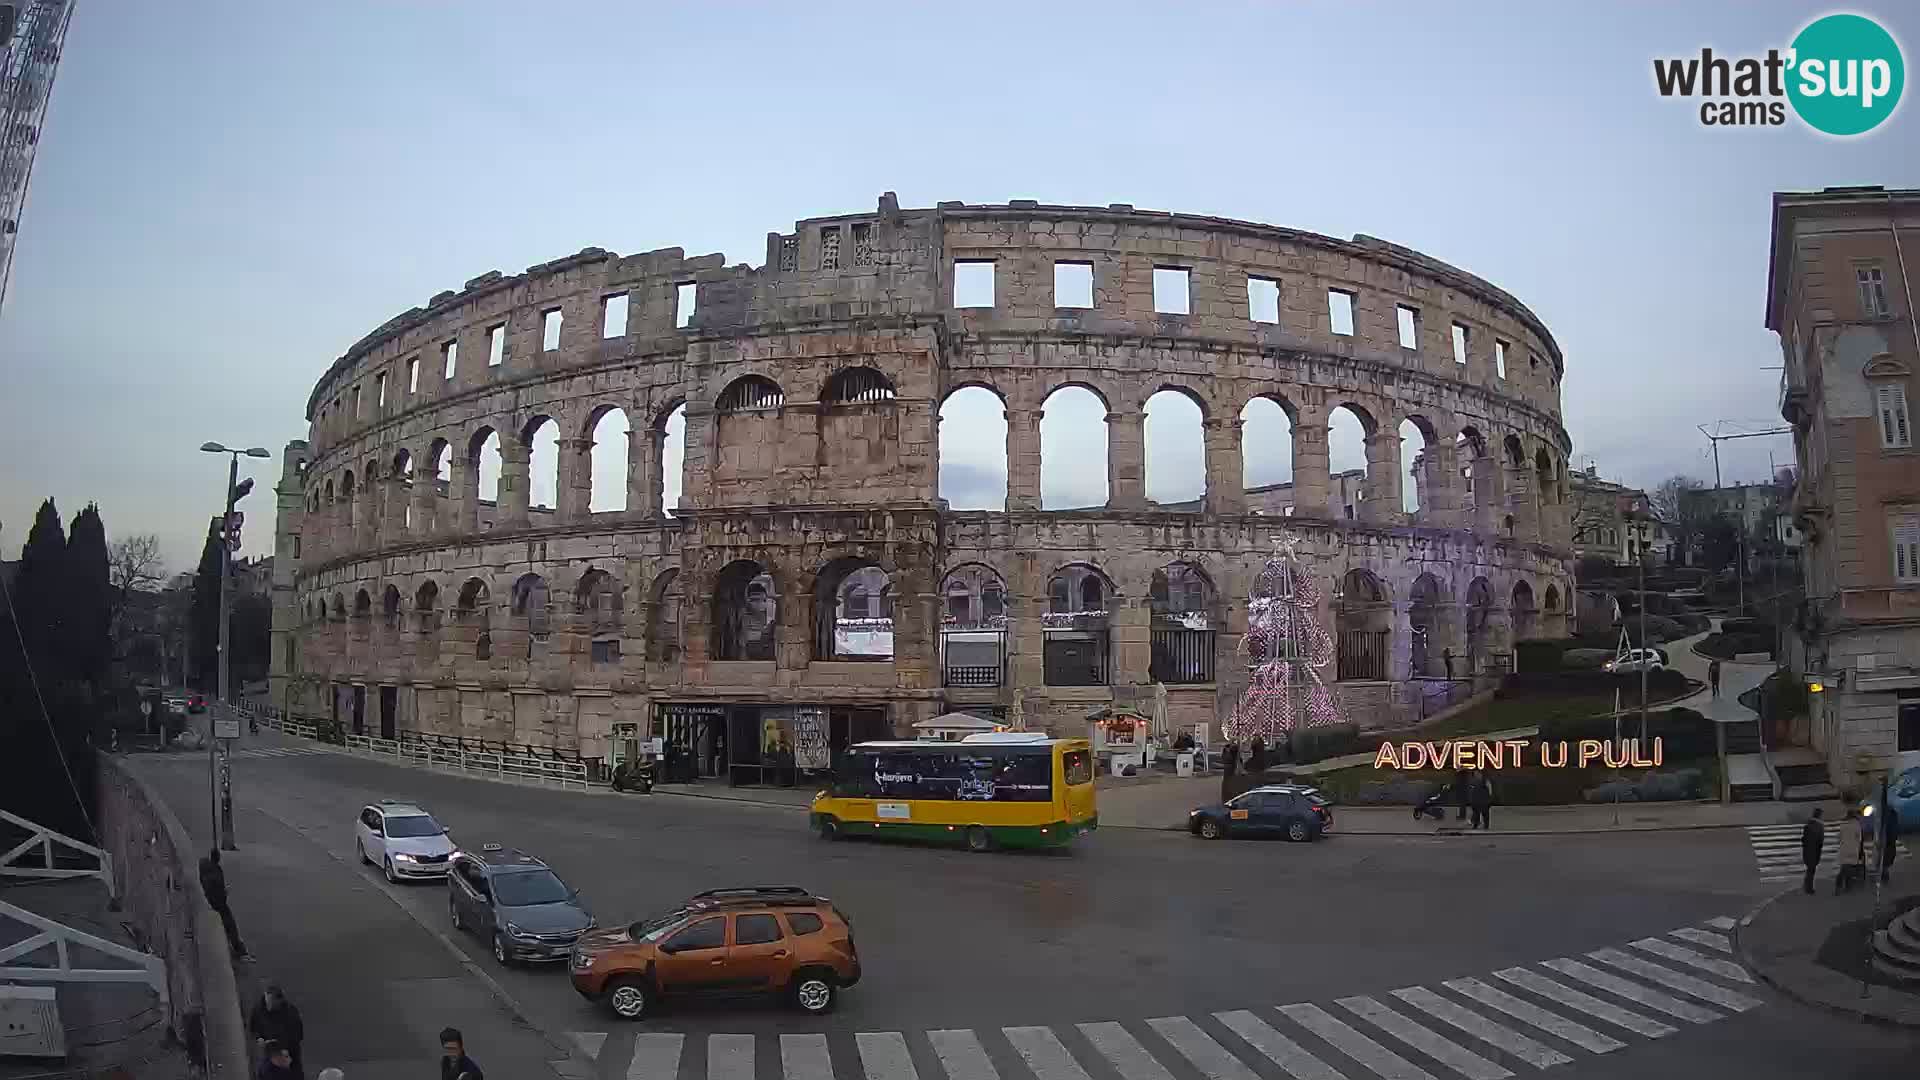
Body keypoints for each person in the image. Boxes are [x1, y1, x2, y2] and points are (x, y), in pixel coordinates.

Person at [198, 848, 252, 962]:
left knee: (227, 925)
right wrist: (223, 893)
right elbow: (216, 891)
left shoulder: (207, 868)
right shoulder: (216, 871)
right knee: (229, 924)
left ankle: (235, 948)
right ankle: (239, 950)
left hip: (212, 900)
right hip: (217, 902)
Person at [249, 984, 305, 1079]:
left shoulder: (291, 1013)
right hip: (269, 1052)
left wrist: (282, 1047)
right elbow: (253, 1027)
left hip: (287, 1053)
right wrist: (259, 1038)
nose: (268, 1005)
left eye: (271, 1002)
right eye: (267, 1001)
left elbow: (298, 1035)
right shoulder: (259, 1009)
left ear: (279, 1001)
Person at [1801, 808, 1825, 894]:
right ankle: (1808, 888)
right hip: (1814, 851)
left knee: (1809, 869)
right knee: (1812, 870)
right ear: (1819, 815)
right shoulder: (1820, 826)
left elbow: (1803, 839)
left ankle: (1807, 885)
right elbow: (1820, 841)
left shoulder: (1807, 825)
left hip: (1807, 850)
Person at [1881, 804, 1901, 885]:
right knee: (1889, 854)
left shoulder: (1889, 813)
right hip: (1889, 837)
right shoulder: (1893, 813)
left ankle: (1884, 871)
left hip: (1887, 837)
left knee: (1887, 854)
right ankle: (1884, 871)